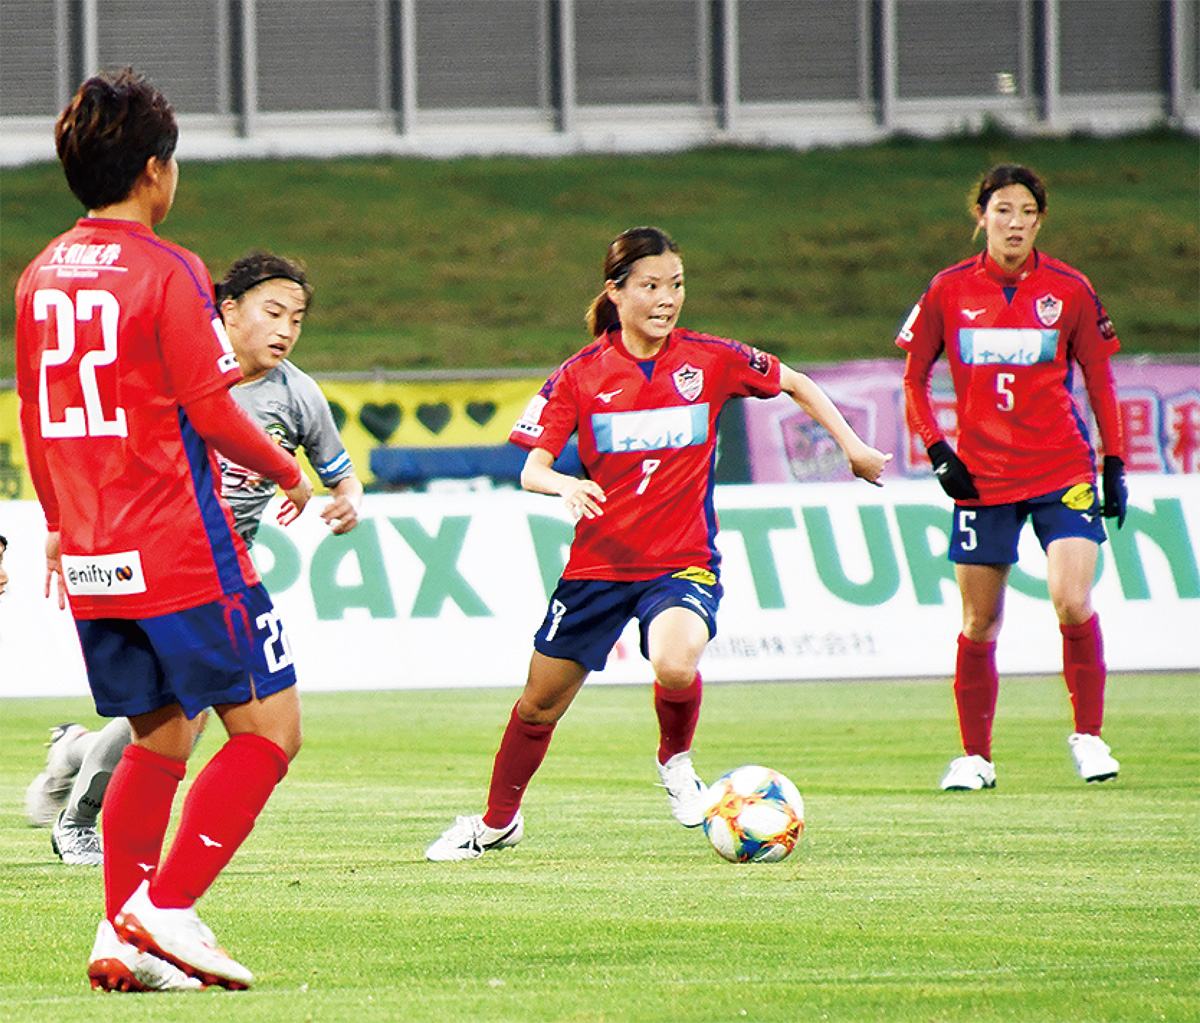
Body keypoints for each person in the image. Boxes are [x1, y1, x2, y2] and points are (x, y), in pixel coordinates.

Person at [426, 226, 891, 861]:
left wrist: (853, 447)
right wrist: (565, 484)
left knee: (675, 663)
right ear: (616, 293)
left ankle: (676, 762)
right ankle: (496, 823)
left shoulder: (711, 359)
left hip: (681, 561)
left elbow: (796, 382)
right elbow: (532, 468)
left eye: (676, 284)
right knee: (536, 707)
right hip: (598, 568)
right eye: (650, 286)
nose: (666, 298)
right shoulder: (581, 375)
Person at [15, 68, 313, 992]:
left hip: (93, 551)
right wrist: (286, 468)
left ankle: (120, 938)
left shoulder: (39, 274)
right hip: (178, 543)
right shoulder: (168, 268)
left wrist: (57, 526)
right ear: (155, 170)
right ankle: (168, 906)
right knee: (269, 730)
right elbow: (213, 410)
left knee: (160, 737)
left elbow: (33, 413)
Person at [25, 250, 363, 869]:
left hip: (219, 565)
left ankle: (75, 759)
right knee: (191, 715)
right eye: (273, 312)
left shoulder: (298, 395)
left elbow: (341, 476)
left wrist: (347, 500)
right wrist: (66, 528)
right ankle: (86, 826)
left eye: (297, 319)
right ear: (227, 312)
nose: (286, 329)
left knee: (173, 715)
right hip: (158, 552)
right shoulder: (178, 368)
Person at [897, 163, 1127, 792]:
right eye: (1003, 210)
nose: (1015, 223)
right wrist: (938, 450)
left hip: (1061, 467)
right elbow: (914, 378)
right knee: (979, 622)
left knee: (1072, 600)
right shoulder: (948, 289)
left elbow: (1100, 378)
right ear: (982, 217)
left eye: (1027, 212)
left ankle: (1089, 738)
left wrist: (1113, 461)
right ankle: (975, 757)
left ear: (1040, 221)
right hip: (984, 478)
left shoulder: (1070, 289)